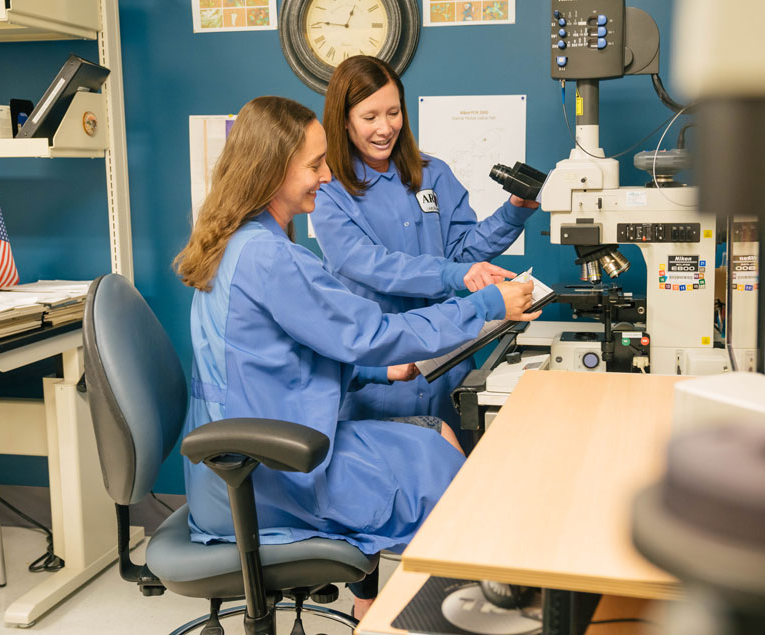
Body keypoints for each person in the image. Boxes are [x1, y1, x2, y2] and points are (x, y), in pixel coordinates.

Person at [173, 96, 539, 617]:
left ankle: (428, 611)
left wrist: (371, 371)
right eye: (315, 165)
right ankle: (437, 620)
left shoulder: (241, 241)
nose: (326, 178)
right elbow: (370, 332)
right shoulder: (270, 257)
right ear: (273, 171)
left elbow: (277, 359)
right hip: (271, 470)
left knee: (435, 436)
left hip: (253, 451)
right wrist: (483, 305)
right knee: (444, 482)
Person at [311, 56, 541, 436]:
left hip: (446, 369)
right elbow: (370, 264)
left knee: (455, 477)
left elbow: (463, 253)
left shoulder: (432, 173)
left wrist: (514, 212)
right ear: (344, 119)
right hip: (382, 376)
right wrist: (456, 273)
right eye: (370, 117)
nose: (385, 128)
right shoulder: (328, 189)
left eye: (393, 112)